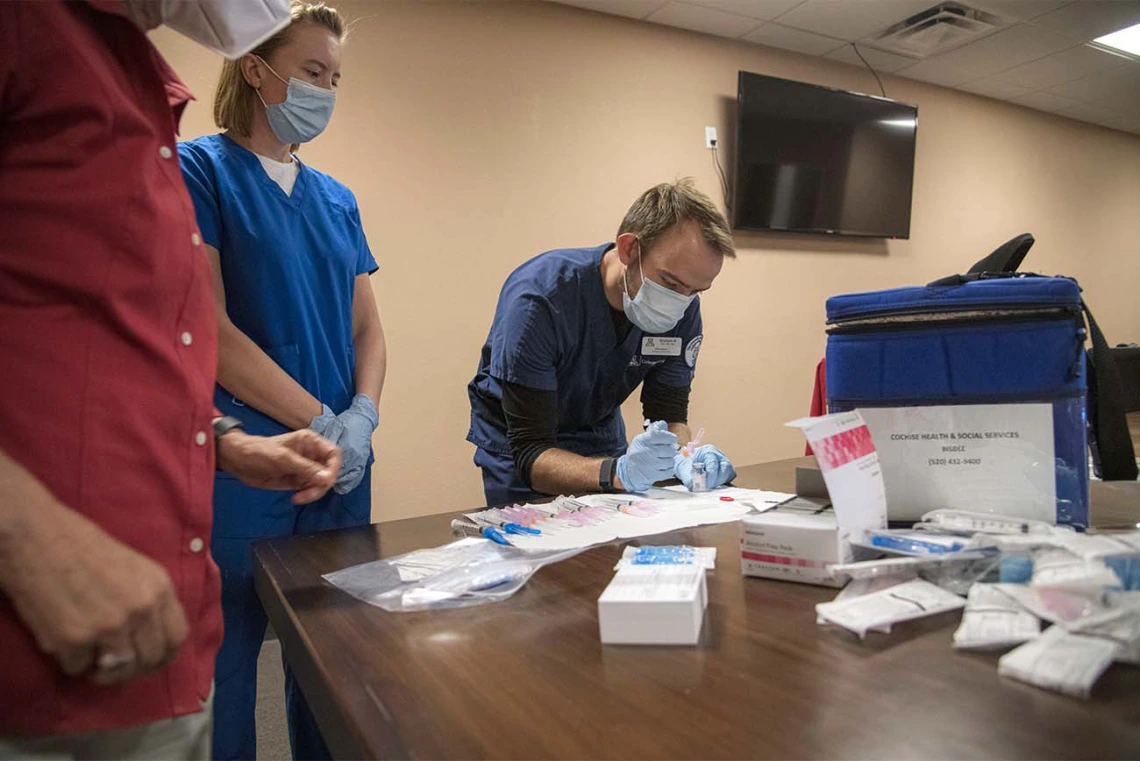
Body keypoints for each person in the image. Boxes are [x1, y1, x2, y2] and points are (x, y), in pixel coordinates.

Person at [0, 1, 344, 759]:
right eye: (314, 70)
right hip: (48, 642)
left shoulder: (131, 73)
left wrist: (222, 438)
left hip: (157, 632)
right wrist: (22, 530)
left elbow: (125, 338)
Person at [176, 4, 386, 759]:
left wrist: (361, 414)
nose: (326, 89)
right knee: (228, 665)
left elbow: (368, 329)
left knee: (337, 662)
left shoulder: (338, 199)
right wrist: (316, 416)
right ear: (255, 68)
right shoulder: (199, 171)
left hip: (341, 470)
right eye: (311, 71)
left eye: (334, 76)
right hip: (248, 467)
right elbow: (213, 333)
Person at [467, 179, 739, 506]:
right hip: (524, 452)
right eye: (670, 282)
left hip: (600, 436)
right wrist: (619, 472)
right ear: (629, 249)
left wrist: (685, 457)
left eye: (696, 291)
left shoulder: (684, 309)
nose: (680, 302)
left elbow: (668, 414)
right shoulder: (540, 300)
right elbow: (531, 453)